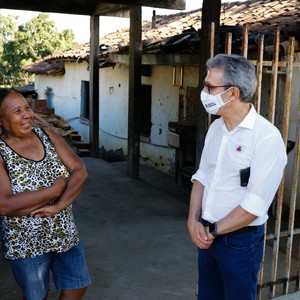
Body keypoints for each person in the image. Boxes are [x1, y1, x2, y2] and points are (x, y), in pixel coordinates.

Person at [187, 54, 287, 300]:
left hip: (240, 242)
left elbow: (255, 205)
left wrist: (214, 230)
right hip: (208, 234)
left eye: (210, 87)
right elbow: (202, 177)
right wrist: (192, 221)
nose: (204, 92)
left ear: (233, 93)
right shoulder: (216, 127)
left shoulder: (266, 138)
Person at [0, 88, 91, 300]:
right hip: (26, 241)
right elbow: (4, 205)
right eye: (17, 111)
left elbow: (80, 170)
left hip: (64, 232)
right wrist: (55, 190)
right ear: (1, 121)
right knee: (36, 296)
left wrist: (58, 205)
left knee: (77, 287)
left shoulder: (47, 136)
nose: (26, 115)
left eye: (26, 108)